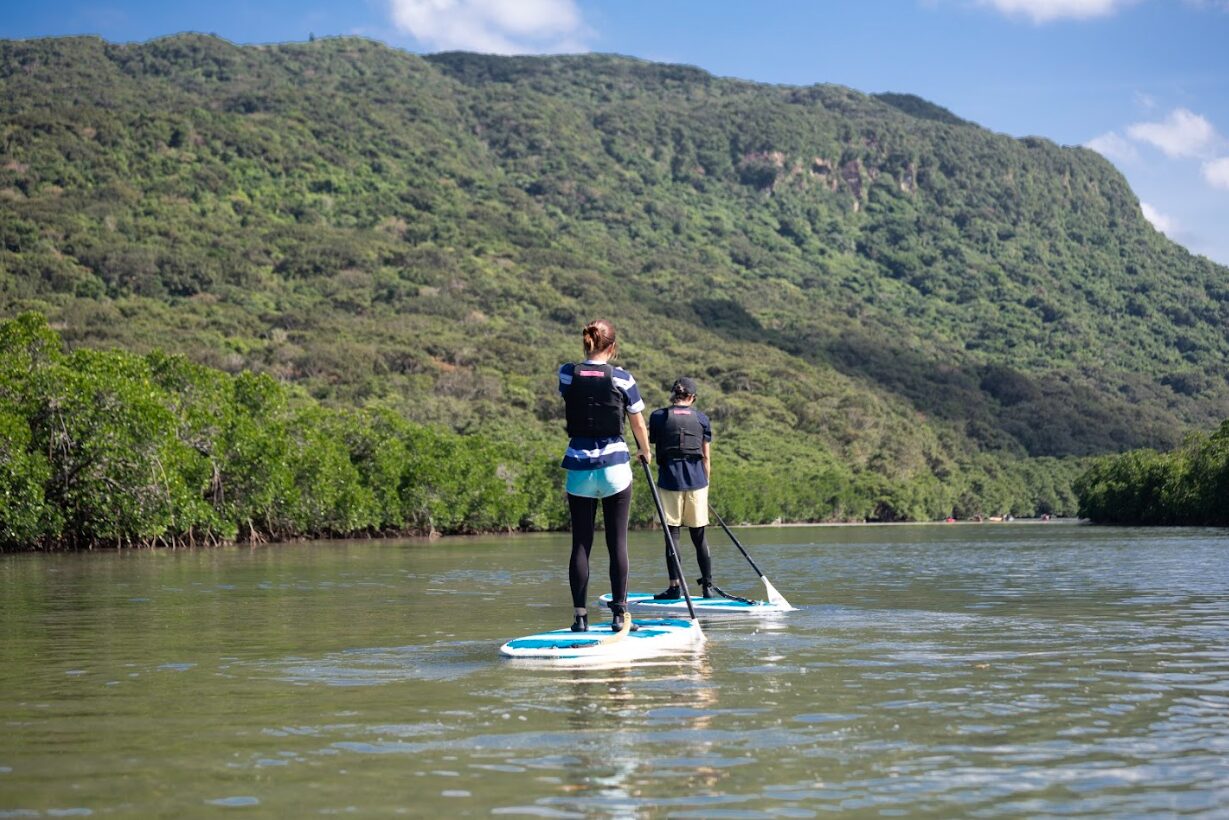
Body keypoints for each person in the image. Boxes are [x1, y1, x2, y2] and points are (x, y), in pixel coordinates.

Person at [558, 319, 651, 633]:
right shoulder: (623, 378)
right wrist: (645, 451)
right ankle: (619, 615)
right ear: (612, 347)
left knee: (581, 544)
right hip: (614, 468)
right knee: (617, 542)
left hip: (578, 467)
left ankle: (580, 617)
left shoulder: (566, 373)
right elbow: (637, 423)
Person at [647, 376, 714, 599]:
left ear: (673, 395)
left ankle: (674, 587)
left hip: (669, 481)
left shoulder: (658, 417)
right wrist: (706, 485)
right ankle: (708, 587)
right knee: (699, 536)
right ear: (692, 398)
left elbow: (652, 443)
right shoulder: (702, 419)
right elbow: (706, 457)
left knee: (672, 535)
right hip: (697, 483)